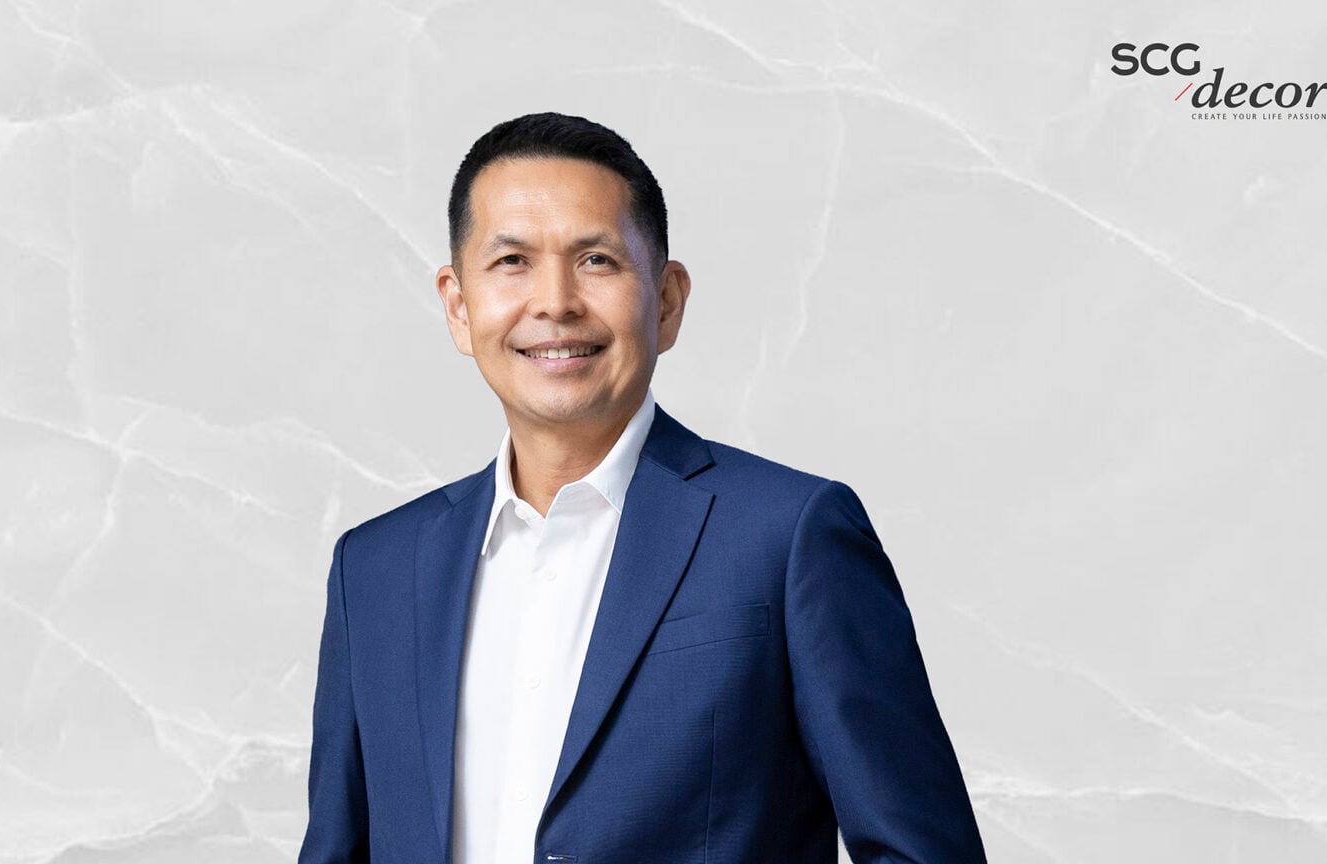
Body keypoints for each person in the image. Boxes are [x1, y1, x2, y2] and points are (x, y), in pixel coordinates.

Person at [299, 111, 986, 864]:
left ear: (666, 300)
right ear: (459, 306)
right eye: (512, 261)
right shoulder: (375, 570)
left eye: (596, 260)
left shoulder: (789, 537)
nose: (555, 301)